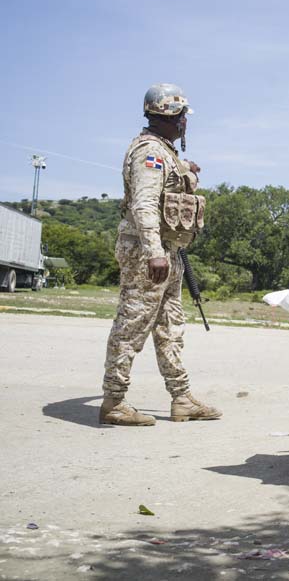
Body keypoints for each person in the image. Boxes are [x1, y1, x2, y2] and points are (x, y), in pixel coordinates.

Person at [100, 84, 222, 426]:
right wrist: (154, 252)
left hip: (169, 251)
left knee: (170, 325)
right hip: (147, 251)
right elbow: (143, 204)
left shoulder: (165, 154)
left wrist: (185, 172)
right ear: (173, 118)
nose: (186, 122)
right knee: (133, 322)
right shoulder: (149, 153)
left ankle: (181, 397)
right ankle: (113, 400)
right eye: (183, 116)